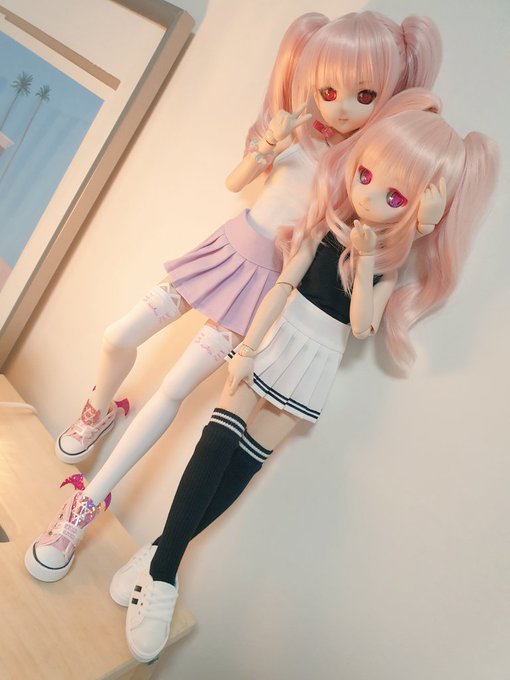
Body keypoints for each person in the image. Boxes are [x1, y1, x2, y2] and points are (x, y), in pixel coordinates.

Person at [25, 12, 442, 582]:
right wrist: (267, 148)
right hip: (223, 253)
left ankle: (84, 505)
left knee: (172, 392)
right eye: (329, 91)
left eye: (364, 95)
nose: (342, 107)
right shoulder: (294, 131)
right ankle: (96, 413)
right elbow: (237, 181)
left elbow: (375, 231)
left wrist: (420, 223)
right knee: (117, 335)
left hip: (263, 291)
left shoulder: (358, 173)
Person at [117, 108, 498, 662]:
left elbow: (363, 326)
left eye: (395, 196)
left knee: (245, 464)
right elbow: (281, 286)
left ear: (419, 210)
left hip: (318, 358)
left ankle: (156, 553)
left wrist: (384, 253)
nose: (369, 195)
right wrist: (248, 347)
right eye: (365, 176)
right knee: (217, 441)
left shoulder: (386, 268)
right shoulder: (321, 229)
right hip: (277, 337)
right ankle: (164, 576)